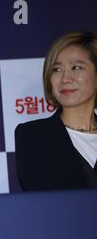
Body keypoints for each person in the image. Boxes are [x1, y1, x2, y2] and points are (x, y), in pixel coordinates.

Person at [15, 31, 97, 191]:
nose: (65, 78)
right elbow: (46, 203)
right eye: (57, 70)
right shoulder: (33, 136)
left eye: (76, 67)